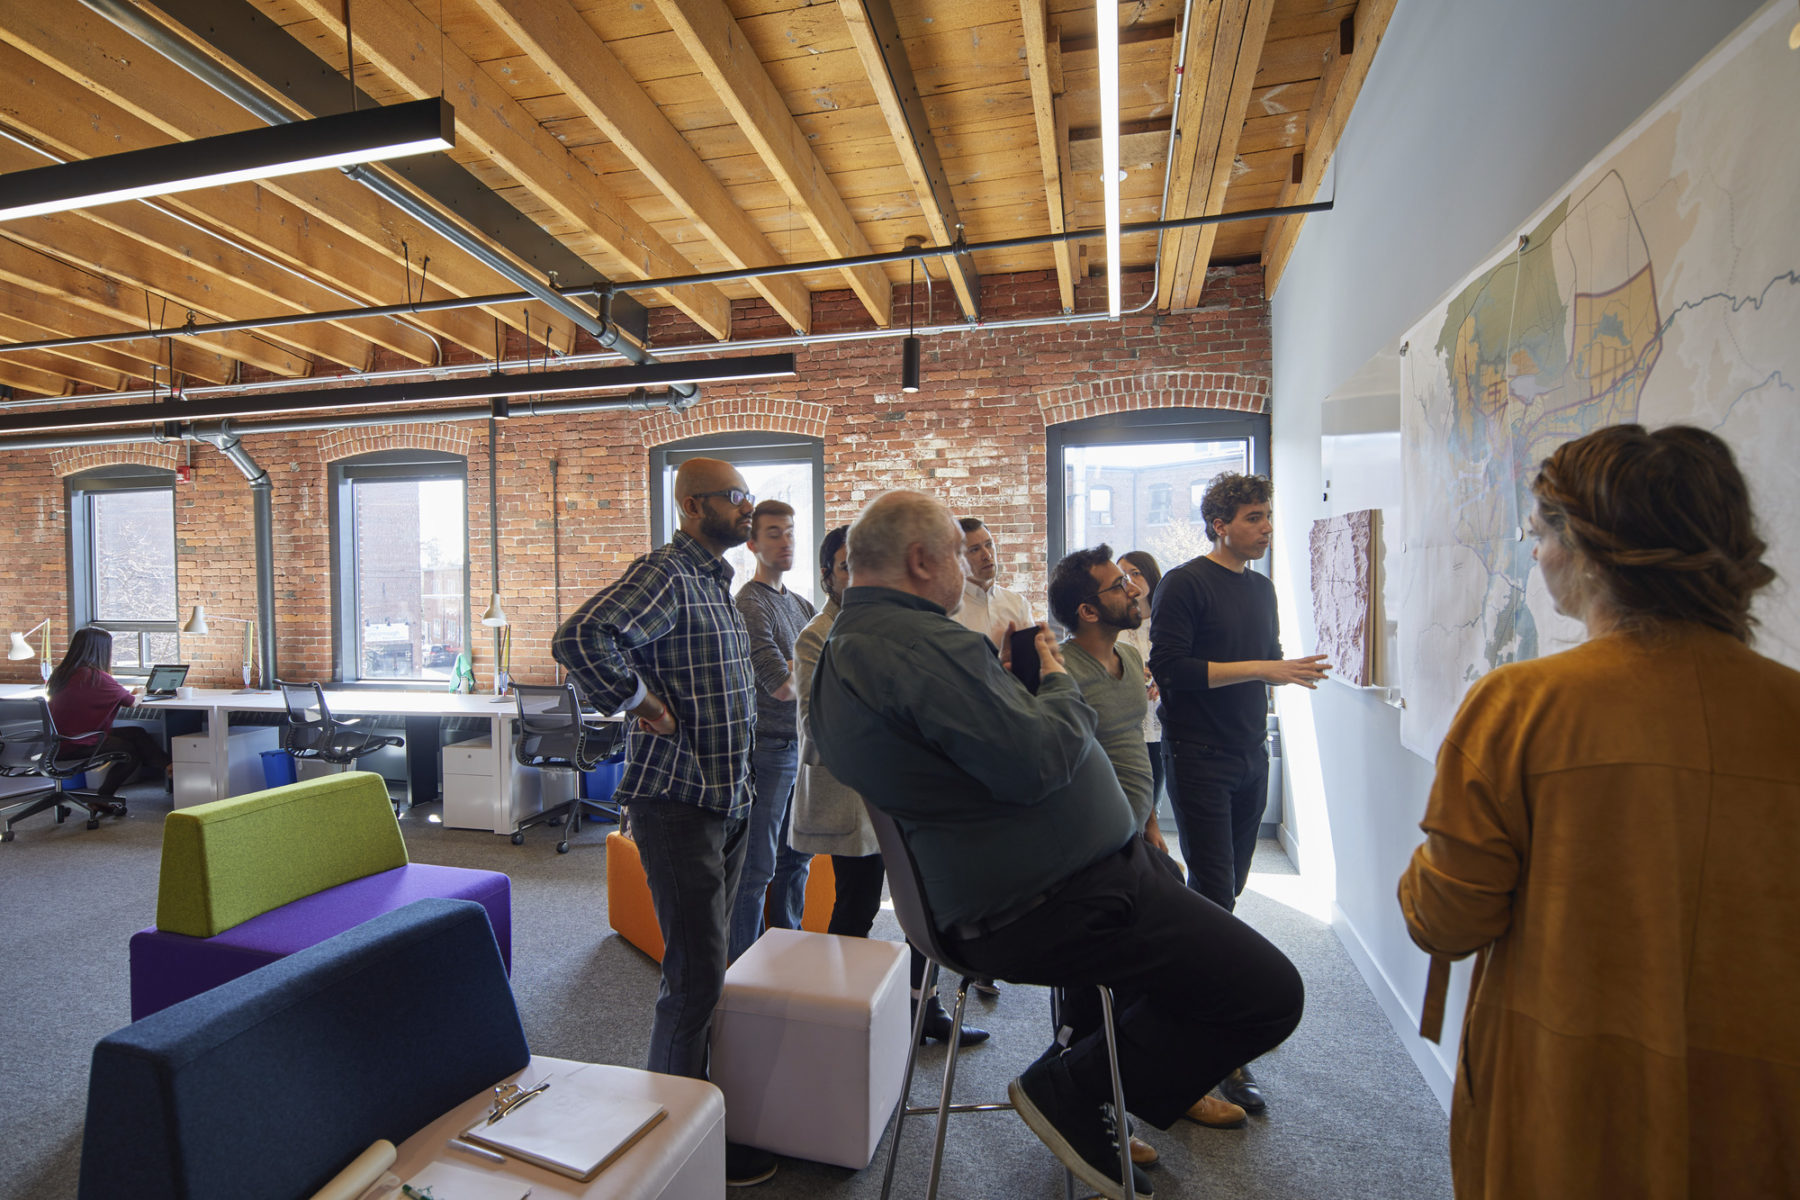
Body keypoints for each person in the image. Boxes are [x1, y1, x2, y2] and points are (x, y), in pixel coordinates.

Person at [812, 490, 1304, 1200]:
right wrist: (1052, 681)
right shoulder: (920, 646)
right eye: (957, 552)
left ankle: (1089, 1081)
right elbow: (1039, 762)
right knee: (1267, 993)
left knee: (1200, 967)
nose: (968, 568)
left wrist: (1012, 694)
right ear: (921, 560)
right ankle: (1071, 1086)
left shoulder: (856, 647)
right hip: (1058, 899)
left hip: (1043, 884)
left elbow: (988, 757)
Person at [1397, 424, 1800, 1200]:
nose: (1537, 553)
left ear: (1582, 547)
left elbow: (1444, 918)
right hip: (1764, 1100)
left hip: (1569, 1091)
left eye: (1539, 533)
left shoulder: (1522, 706)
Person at [551, 457, 776, 1188]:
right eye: (736, 498)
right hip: (679, 803)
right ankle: (683, 1141)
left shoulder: (717, 582)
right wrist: (643, 703)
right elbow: (581, 637)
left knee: (712, 972)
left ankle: (693, 1113)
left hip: (726, 797)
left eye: (747, 496)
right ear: (692, 505)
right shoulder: (670, 573)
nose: (748, 508)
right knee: (696, 978)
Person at [1045, 546, 1247, 1156]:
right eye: (1117, 586)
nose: (1134, 591)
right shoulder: (1062, 671)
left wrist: (1153, 826)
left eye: (1129, 581)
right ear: (1086, 610)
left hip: (1135, 835)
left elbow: (1133, 747)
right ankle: (1082, 1098)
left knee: (1179, 961)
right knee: (1119, 974)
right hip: (1090, 848)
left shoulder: (1130, 658)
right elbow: (1062, 767)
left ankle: (1165, 1082)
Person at [1148, 472, 1328, 1116]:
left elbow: (1268, 657)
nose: (1267, 527)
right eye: (1254, 517)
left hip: (1252, 754)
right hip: (1200, 756)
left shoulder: (1262, 588)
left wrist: (1284, 669)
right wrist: (1265, 669)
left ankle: (1193, 1022)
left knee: (1228, 893)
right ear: (1220, 523)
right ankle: (1212, 1050)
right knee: (1215, 899)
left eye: (1267, 515)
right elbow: (1171, 672)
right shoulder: (1184, 583)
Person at [790, 524, 987, 1046]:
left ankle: (925, 1008)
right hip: (853, 798)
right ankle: (843, 1018)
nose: (855, 576)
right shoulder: (815, 636)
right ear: (828, 576)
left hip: (908, 795)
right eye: (843, 567)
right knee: (855, 908)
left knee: (924, 910)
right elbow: (816, 728)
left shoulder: (899, 626)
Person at [726, 499, 815, 963]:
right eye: (775, 533)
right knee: (757, 869)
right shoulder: (749, 603)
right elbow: (779, 684)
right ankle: (741, 972)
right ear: (753, 543)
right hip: (769, 751)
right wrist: (808, 668)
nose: (786, 542)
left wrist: (805, 667)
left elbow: (825, 667)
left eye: (791, 532)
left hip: (801, 747)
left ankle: (787, 960)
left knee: (795, 861)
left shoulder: (799, 604)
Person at [45, 626, 167, 805]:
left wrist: (123, 693)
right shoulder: (96, 677)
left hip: (57, 742)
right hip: (77, 744)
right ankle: (103, 798)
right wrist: (141, 691)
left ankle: (168, 766)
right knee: (131, 753)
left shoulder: (61, 674)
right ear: (101, 650)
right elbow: (132, 702)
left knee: (136, 733)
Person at [1116, 551, 1165, 813]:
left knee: (1152, 800)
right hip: (1126, 724)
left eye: (1136, 572)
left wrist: (1163, 681)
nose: (1130, 581)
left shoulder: (1168, 621)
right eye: (1123, 576)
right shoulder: (1115, 625)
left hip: (1160, 723)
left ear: (1150, 575)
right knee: (1126, 802)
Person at [955, 516, 1035, 649]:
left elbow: (1031, 660)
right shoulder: (949, 611)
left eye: (989, 545)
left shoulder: (1018, 604)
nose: (987, 555)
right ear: (958, 558)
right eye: (975, 549)